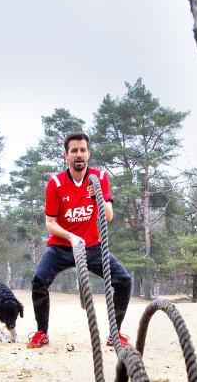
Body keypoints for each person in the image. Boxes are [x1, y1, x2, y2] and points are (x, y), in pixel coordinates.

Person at [28, 131, 132, 349]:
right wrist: (71, 236)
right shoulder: (56, 182)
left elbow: (109, 216)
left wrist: (98, 197)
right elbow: (50, 223)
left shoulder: (100, 177)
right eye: (74, 150)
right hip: (62, 245)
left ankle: (116, 333)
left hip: (92, 245)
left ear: (88, 153)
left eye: (83, 150)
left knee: (124, 280)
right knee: (39, 279)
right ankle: (41, 332)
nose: (79, 155)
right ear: (66, 155)